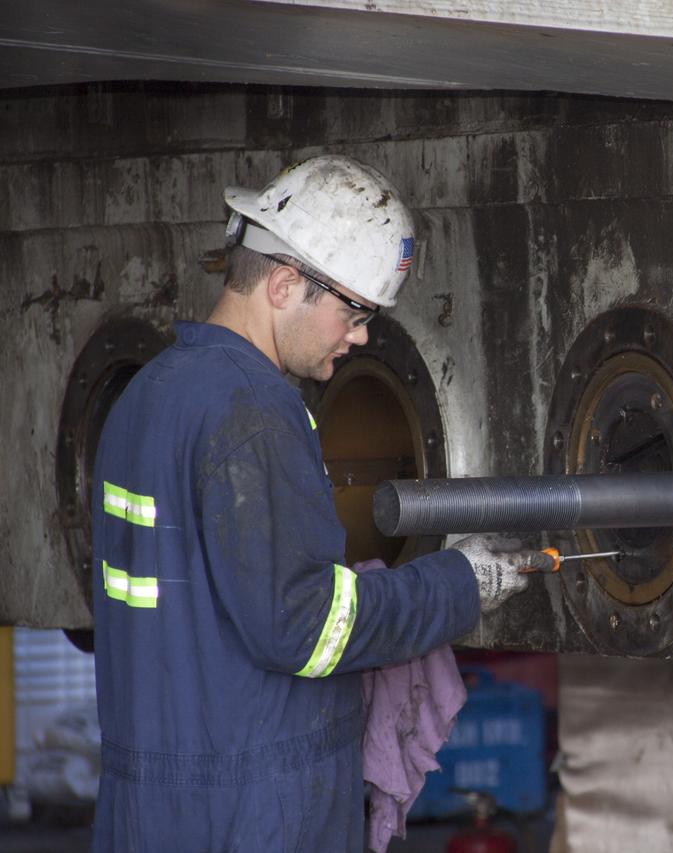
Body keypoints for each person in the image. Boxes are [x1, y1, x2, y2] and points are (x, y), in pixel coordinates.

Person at [90, 154, 550, 852]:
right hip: (254, 810)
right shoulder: (254, 411)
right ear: (282, 284)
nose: (361, 334)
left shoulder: (144, 398)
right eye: (353, 310)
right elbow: (307, 628)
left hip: (151, 805)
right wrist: (459, 583)